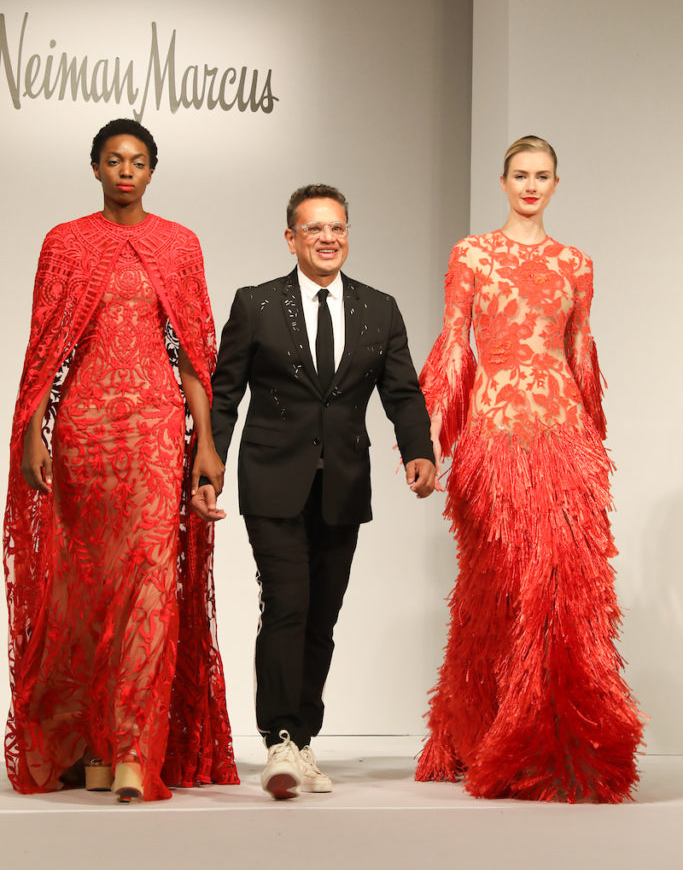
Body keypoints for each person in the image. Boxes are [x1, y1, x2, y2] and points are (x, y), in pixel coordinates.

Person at [4, 118, 239, 802]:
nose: (126, 171)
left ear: (152, 169)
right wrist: (31, 433)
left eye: (137, 160)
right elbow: (44, 349)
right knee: (84, 586)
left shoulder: (178, 244)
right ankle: (91, 747)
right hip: (84, 428)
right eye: (114, 160)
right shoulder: (66, 242)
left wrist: (208, 445)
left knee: (147, 580)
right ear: (97, 168)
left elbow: (195, 357)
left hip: (157, 431)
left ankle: (135, 748)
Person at [415, 136, 643, 803]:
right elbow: (453, 346)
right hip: (494, 433)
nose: (531, 185)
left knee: (560, 588)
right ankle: (479, 732)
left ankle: (553, 742)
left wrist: (591, 444)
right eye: (520, 174)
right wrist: (430, 439)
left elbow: (580, 353)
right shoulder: (473, 254)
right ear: (502, 180)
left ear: (555, 183)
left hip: (563, 434)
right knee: (495, 587)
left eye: (542, 175)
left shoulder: (575, 263)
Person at [192, 183, 435, 798]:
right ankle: (278, 738)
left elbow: (401, 392)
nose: (328, 239)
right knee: (287, 604)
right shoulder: (257, 304)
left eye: (338, 228)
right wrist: (207, 464)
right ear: (291, 238)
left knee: (321, 619)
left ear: (347, 234)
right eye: (315, 229)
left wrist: (418, 450)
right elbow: (226, 393)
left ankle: (302, 740)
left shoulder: (379, 308)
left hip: (344, 486)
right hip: (272, 479)